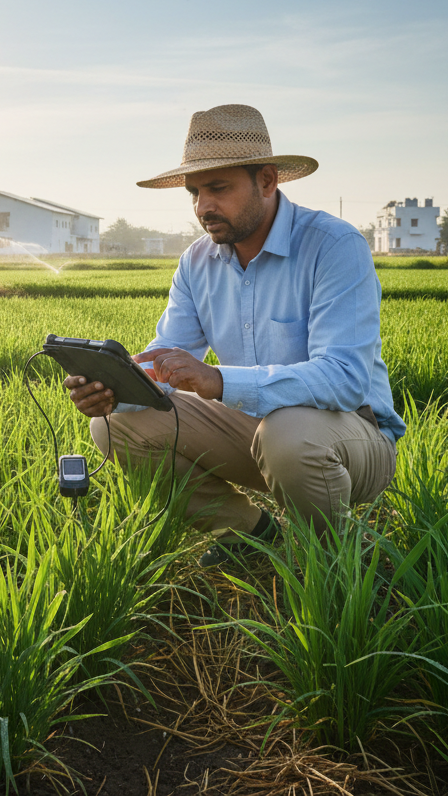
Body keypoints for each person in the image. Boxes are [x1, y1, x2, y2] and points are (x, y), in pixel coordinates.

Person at [65, 104, 404, 567]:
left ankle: (333, 563)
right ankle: (248, 533)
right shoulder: (197, 261)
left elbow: (343, 379)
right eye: (195, 192)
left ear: (267, 180)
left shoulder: (334, 245)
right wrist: (116, 392)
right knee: (113, 426)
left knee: (289, 433)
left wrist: (219, 381)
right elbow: (167, 363)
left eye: (218, 188)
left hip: (351, 437)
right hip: (256, 433)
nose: (203, 206)